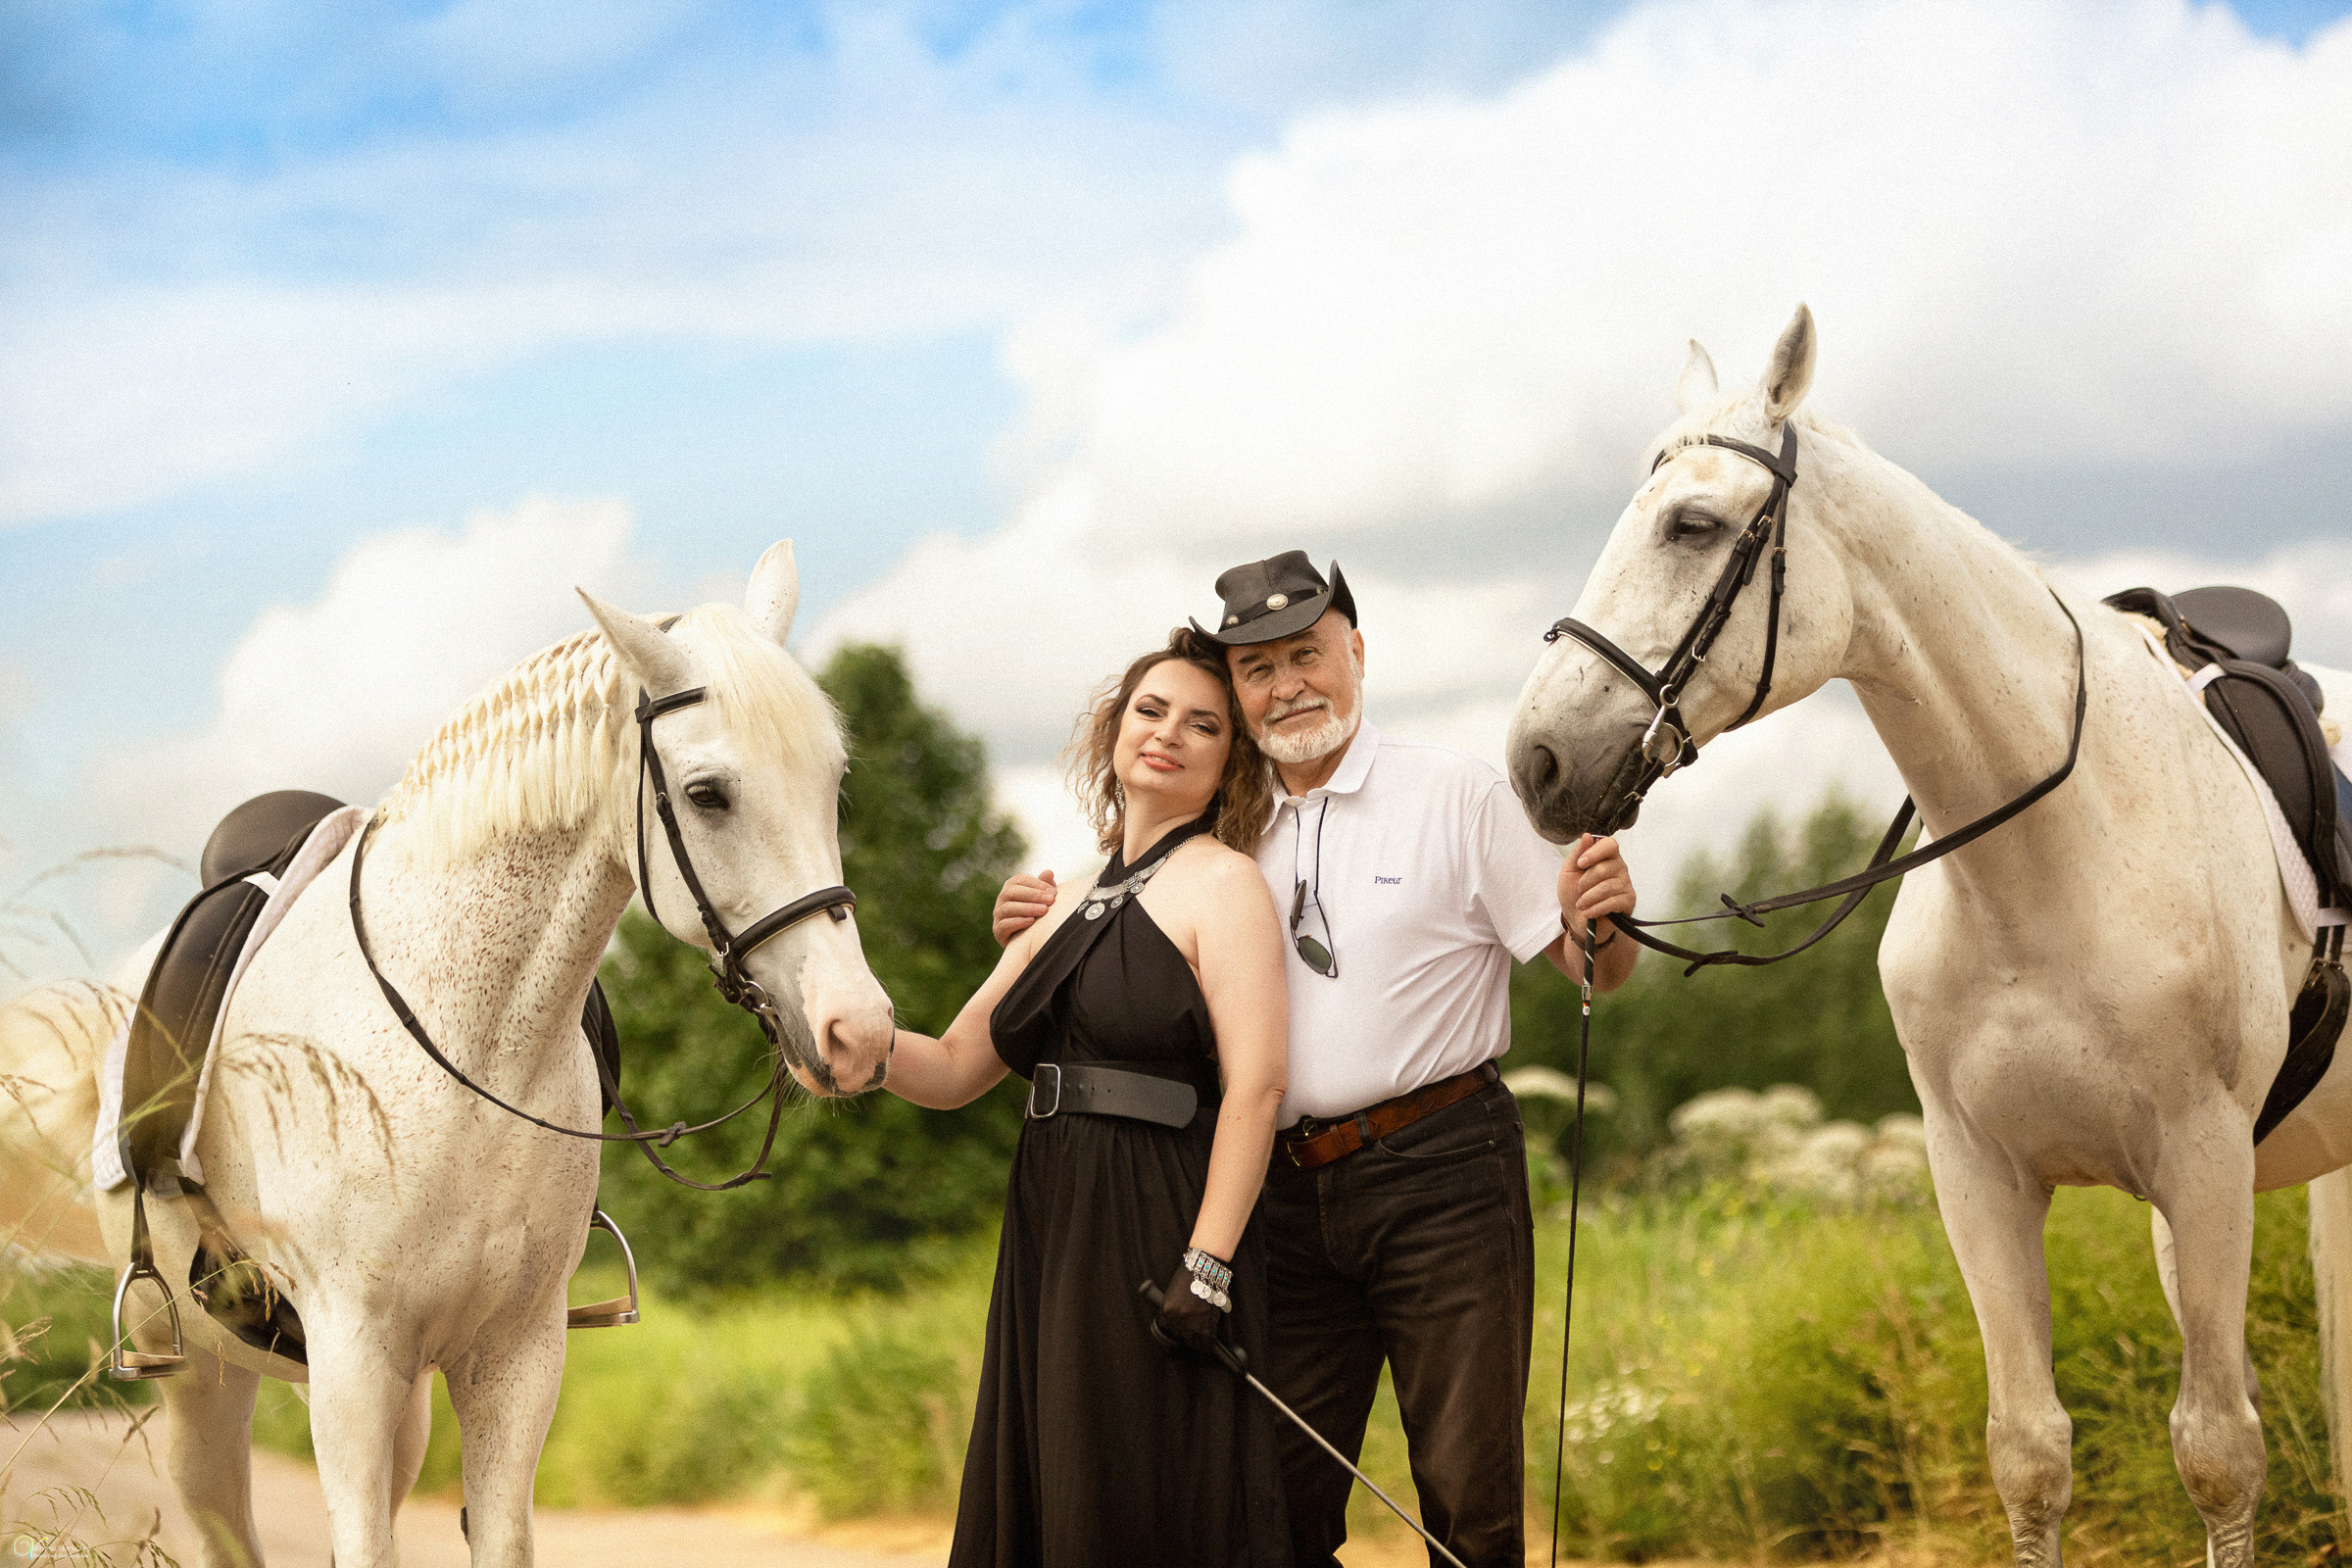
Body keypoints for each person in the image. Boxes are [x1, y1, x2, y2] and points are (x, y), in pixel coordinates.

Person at [994, 553, 1639, 1567]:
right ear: (1238, 695)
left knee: (1466, 1500)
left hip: (1443, 1177)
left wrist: (1603, 914)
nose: (1287, 685)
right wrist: (1033, 920)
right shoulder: (1223, 824)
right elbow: (1117, 921)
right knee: (1268, 1507)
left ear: (1357, 653)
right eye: (1257, 670)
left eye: (1307, 655)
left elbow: (1593, 964)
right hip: (1283, 1201)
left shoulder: (1458, 794)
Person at [885, 626, 1295, 1567]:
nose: (1169, 733)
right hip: (1052, 1209)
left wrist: (1209, 1264)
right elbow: (950, 1067)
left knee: (1134, 1476)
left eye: (1203, 725)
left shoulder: (1226, 884)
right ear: (1115, 729)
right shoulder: (1057, 900)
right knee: (1056, 1465)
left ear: (1230, 763)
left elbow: (1257, 1087)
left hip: (1156, 1213)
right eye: (1151, 710)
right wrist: (846, 1043)